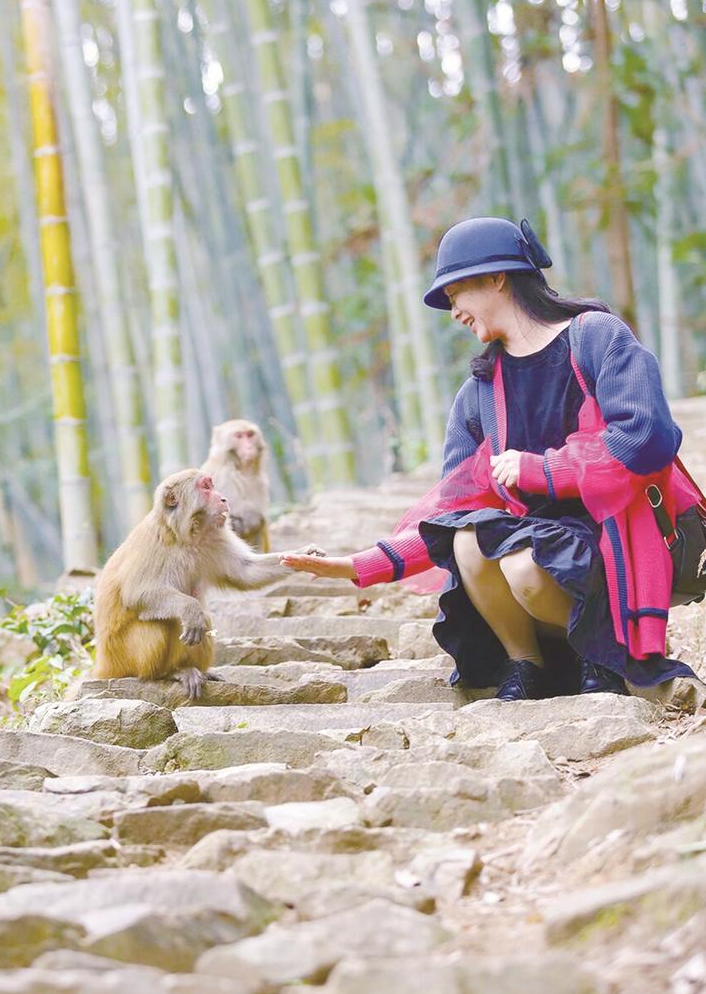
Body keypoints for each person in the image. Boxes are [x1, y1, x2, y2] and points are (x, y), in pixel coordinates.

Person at [282, 216, 703, 701]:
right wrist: (358, 566)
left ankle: (600, 652)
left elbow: (646, 438)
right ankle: (527, 663)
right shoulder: (479, 393)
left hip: (615, 550)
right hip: (543, 554)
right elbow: (451, 509)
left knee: (523, 563)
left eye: (456, 292)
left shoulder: (597, 338)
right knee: (466, 539)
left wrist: (543, 469)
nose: (454, 310)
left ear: (497, 277)